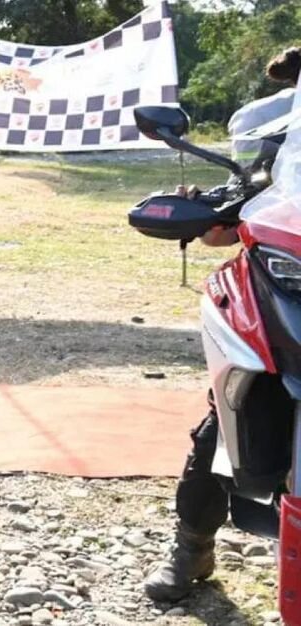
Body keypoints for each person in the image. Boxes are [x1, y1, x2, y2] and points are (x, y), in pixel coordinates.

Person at [144, 45, 301, 602]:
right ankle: (192, 550)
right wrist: (213, 208)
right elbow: (243, 205)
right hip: (287, 278)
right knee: (234, 404)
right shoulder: (280, 127)